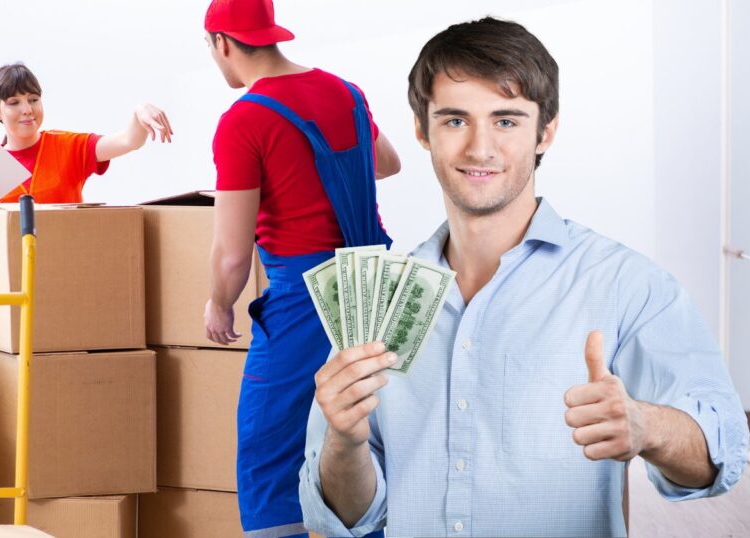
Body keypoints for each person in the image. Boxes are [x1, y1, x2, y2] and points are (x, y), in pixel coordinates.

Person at [300, 17, 749, 537]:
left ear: (546, 131)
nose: (480, 149)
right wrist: (345, 440)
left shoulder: (627, 284)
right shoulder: (379, 301)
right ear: (422, 130)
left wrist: (647, 427)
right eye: (454, 120)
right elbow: (347, 517)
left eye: (506, 120)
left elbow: (721, 457)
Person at [200, 0, 401, 535]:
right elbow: (386, 162)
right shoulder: (345, 91)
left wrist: (220, 304)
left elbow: (233, 251)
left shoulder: (244, 119)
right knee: (364, 427)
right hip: (373, 283)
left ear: (221, 42)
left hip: (304, 295)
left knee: (269, 444)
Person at [0, 63, 173, 203]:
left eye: (33, 99)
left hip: (66, 260)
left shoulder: (69, 146)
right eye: (14, 103)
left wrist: (140, 109)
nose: (27, 109)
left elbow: (129, 140)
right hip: (14, 269)